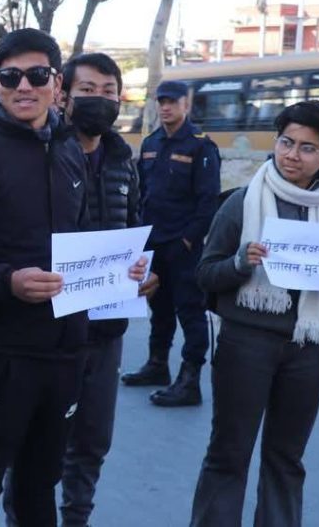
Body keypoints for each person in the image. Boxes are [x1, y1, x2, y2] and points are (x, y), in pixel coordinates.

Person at [0, 29, 147, 527]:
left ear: (56, 84)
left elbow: (87, 238)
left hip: (68, 353)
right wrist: (7, 282)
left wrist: (123, 269)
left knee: (39, 486)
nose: (23, 86)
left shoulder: (70, 152)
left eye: (36, 75)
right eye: (10, 77)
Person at [190, 100, 319, 526]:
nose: (291, 154)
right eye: (286, 142)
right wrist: (240, 263)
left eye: (307, 147)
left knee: (286, 459)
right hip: (246, 342)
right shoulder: (242, 202)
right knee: (229, 454)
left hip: (308, 347)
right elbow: (205, 275)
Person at [122, 80, 220, 407]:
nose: (165, 107)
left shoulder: (200, 146)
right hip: (154, 241)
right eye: (161, 101)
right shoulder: (151, 142)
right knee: (159, 308)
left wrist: (189, 240)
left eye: (172, 102)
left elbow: (208, 201)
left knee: (190, 311)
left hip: (183, 245)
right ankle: (157, 365)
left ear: (186, 105)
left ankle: (190, 380)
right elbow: (141, 193)